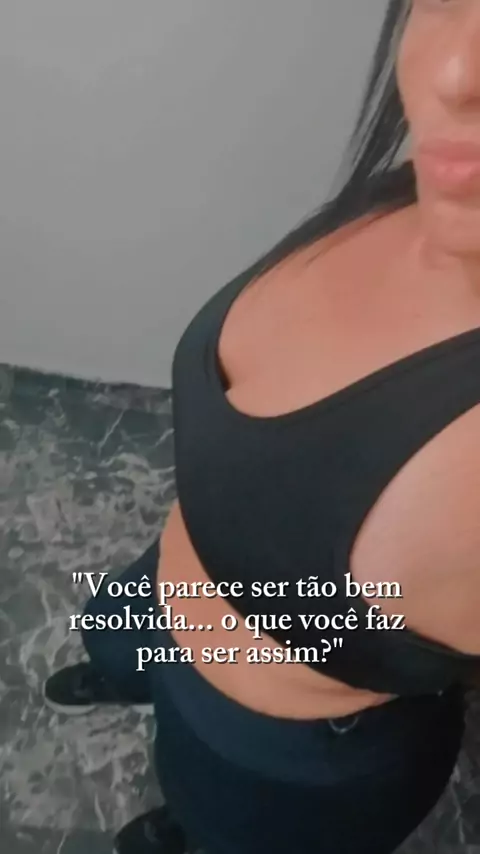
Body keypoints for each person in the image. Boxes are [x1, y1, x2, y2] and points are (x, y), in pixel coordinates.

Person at [44, 1, 480, 852]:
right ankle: (120, 670)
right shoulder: (431, 185)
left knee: (212, 825)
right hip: (163, 582)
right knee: (116, 640)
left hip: (272, 754)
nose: (453, 71)